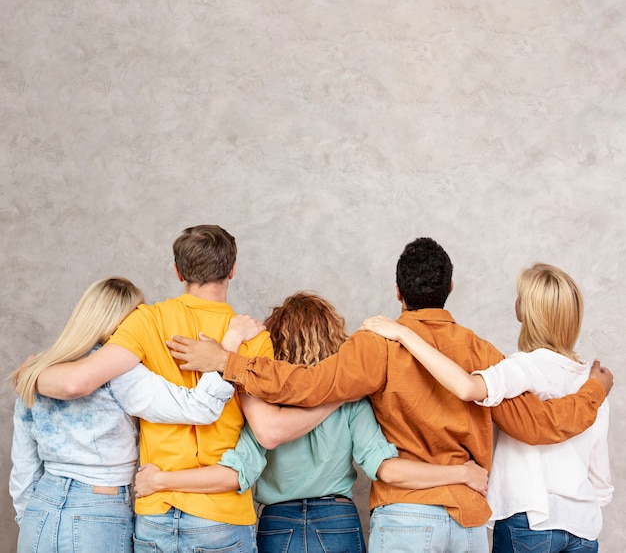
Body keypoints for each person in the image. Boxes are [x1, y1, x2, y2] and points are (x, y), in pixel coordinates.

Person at [166, 237, 613, 553]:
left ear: (398, 292)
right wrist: (593, 390)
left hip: (405, 519)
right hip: (468, 521)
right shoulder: (483, 352)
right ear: (450, 289)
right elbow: (538, 425)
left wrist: (228, 361)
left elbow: (305, 386)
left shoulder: (378, 344)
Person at [33, 225, 333, 552]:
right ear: (232, 270)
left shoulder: (145, 321)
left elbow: (80, 380)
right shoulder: (253, 338)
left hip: (155, 510)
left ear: (178, 272)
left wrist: (31, 374)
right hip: (221, 514)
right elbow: (267, 431)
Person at [134, 292, 489, 553]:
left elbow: (240, 469)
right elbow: (386, 467)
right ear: (335, 337)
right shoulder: (351, 399)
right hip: (338, 520)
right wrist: (462, 472)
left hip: (277, 523)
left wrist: (161, 480)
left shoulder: (261, 398)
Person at [361, 263, 613, 553]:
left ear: (527, 311)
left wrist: (404, 334)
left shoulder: (521, 367)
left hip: (529, 520)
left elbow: (467, 387)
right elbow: (601, 482)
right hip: (583, 527)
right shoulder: (595, 384)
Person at [8, 276, 241, 553]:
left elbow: (23, 464)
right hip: (98, 511)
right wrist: (226, 352)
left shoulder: (36, 371)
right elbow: (199, 407)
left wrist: (27, 515)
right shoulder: (120, 372)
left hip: (39, 509)